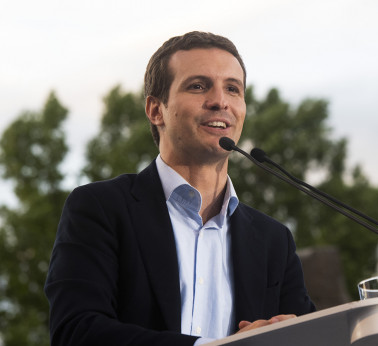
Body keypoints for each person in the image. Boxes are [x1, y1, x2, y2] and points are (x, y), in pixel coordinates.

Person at [45, 31, 316, 346]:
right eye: (198, 86)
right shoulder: (100, 208)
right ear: (155, 110)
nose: (220, 101)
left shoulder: (274, 241)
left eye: (233, 88)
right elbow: (76, 332)